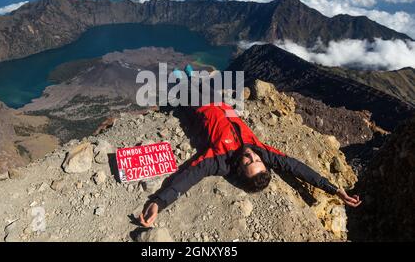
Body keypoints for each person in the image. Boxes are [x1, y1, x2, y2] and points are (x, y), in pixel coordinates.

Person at [139, 66, 361, 227]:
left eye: (248, 162)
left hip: (198, 108)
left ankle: (182, 81)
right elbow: (297, 168)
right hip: (222, 105)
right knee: (197, 80)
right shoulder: (262, 151)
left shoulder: (218, 160)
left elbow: (189, 176)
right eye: (257, 161)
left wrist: (159, 201)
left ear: (238, 170)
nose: (251, 156)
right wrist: (334, 189)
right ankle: (191, 78)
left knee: (180, 82)